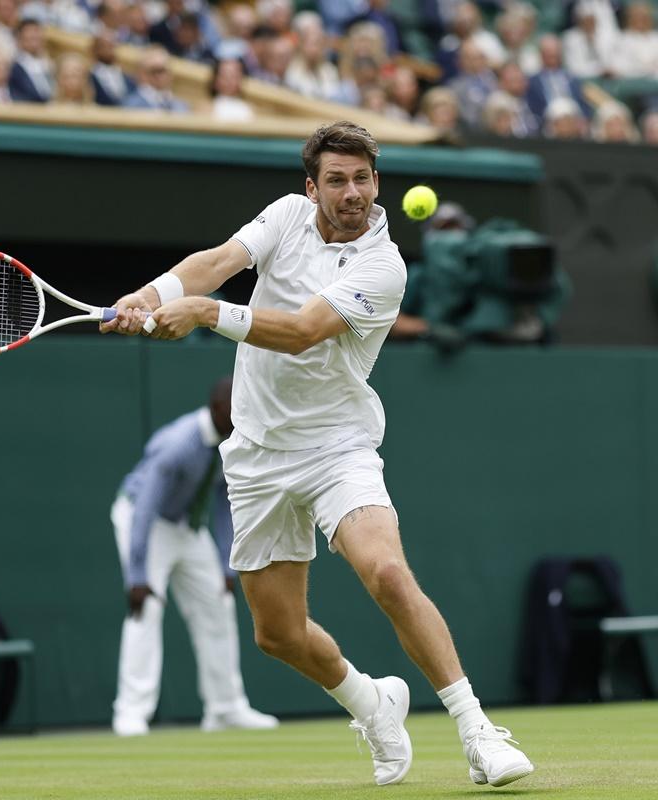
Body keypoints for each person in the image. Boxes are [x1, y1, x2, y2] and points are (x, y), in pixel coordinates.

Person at [100, 121, 535, 789]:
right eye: (337, 179)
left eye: (362, 178)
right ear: (313, 188)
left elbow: (302, 332)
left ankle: (478, 732)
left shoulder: (384, 266)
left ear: (376, 183)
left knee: (388, 573)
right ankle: (373, 703)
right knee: (277, 635)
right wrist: (153, 296)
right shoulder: (285, 217)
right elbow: (216, 262)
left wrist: (207, 315)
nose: (352, 191)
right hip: (257, 457)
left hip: (337, 446)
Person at [111, 377, 279, 737]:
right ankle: (131, 711)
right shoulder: (179, 445)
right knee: (147, 609)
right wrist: (137, 575)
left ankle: (225, 707)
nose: (243, 416)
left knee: (218, 604)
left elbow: (222, 502)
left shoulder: (230, 442)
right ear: (218, 409)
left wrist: (224, 563)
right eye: (236, 409)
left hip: (187, 526)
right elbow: (144, 508)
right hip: (145, 521)